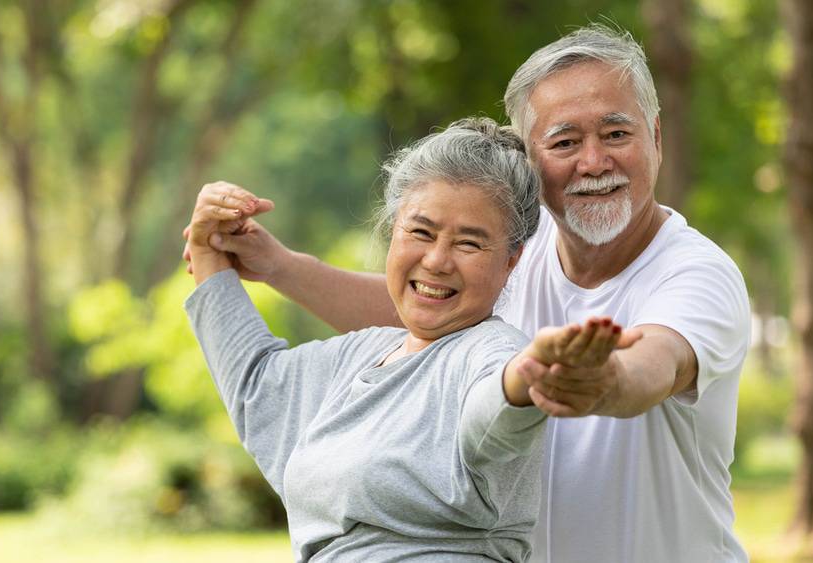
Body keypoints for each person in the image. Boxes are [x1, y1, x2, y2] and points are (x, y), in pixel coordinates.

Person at [184, 26, 750, 562]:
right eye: (565, 141)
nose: (594, 161)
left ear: (655, 135)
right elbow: (427, 311)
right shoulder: (516, 248)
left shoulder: (694, 273)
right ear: (531, 163)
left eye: (617, 133)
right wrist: (279, 267)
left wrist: (601, 380)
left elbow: (656, 362)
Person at [184, 117, 642, 562]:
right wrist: (208, 253)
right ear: (392, 231)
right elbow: (254, 383)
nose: (437, 261)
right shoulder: (359, 357)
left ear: (511, 261)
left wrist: (525, 382)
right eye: (421, 232)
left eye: (469, 243)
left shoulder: (491, 353)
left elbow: (492, 418)